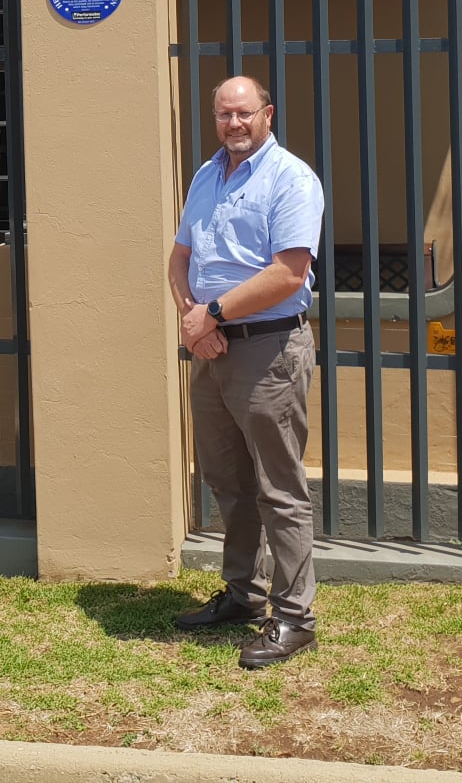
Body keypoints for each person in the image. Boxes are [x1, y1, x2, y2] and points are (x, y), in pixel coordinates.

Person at [167, 75, 324, 670]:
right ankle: (243, 594)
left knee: (280, 490)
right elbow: (180, 256)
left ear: (267, 112)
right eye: (223, 114)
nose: (233, 124)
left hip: (268, 350)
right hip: (210, 348)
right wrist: (194, 319)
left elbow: (287, 273)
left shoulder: (292, 179)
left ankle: (294, 617)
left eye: (244, 113)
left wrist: (212, 313)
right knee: (227, 482)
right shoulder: (207, 176)